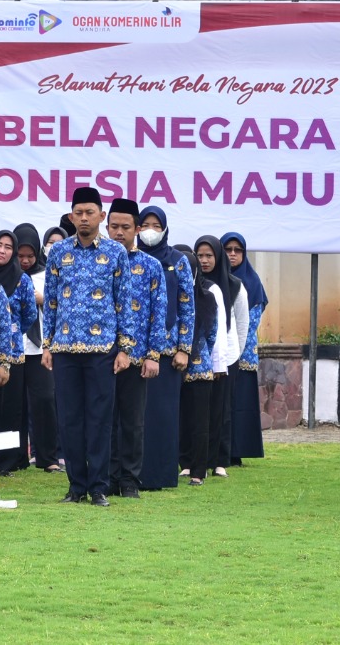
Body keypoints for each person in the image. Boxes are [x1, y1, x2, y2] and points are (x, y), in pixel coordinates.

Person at [42, 186, 131, 507]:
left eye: (89, 212)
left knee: (100, 419)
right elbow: (50, 301)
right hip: (64, 349)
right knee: (68, 420)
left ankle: (99, 487)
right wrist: (48, 344)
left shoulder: (115, 253)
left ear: (101, 216)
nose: (83, 218)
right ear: (70, 216)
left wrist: (124, 348)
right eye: (78, 213)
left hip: (102, 349)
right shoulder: (58, 253)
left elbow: (124, 302)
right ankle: (76, 486)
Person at [136, 206, 194, 491]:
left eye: (155, 225)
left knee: (163, 415)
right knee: (136, 416)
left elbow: (186, 305)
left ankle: (160, 476)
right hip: (135, 351)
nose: (149, 230)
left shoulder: (178, 261)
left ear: (165, 228)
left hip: (169, 354)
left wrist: (184, 348)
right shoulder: (131, 258)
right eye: (144, 224)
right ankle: (132, 474)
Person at [107, 201, 162, 497]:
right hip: (101, 355)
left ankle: (129, 480)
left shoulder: (151, 266)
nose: (119, 233)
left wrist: (153, 355)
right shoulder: (99, 262)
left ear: (137, 230)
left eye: (125, 227)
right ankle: (108, 477)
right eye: (114, 227)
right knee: (104, 419)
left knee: (131, 421)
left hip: (137, 356)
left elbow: (158, 312)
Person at [0, 229, 35, 474]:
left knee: (11, 408)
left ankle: (7, 461)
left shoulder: (22, 279)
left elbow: (29, 315)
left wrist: (12, 333)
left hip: (13, 354)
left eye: (7, 247)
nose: (1, 250)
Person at [11, 222, 59, 474]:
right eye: (21, 256)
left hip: (40, 349)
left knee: (44, 401)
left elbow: (58, 305)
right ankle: (17, 456)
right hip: (14, 348)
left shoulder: (47, 274)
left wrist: (42, 300)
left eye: (30, 256)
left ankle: (47, 456)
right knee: (15, 405)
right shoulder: (8, 275)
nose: (26, 261)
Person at [194, 237, 244, 479]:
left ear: (217, 257)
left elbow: (241, 325)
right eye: (200, 255)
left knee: (221, 410)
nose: (204, 260)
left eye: (209, 255)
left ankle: (220, 460)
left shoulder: (233, 286)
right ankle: (199, 460)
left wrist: (232, 355)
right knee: (201, 411)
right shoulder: (193, 282)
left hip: (228, 355)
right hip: (201, 355)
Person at [220, 232, 267, 466]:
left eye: (237, 250)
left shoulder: (252, 281)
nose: (232, 254)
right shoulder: (213, 279)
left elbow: (251, 321)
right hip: (218, 355)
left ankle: (238, 450)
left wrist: (235, 348)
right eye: (227, 249)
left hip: (243, 353)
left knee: (240, 404)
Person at [180, 250, 220, 488]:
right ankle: (183, 463)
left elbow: (213, 334)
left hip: (199, 368)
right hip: (175, 367)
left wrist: (200, 354)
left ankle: (199, 470)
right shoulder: (172, 297)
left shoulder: (206, 298)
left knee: (199, 422)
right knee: (179, 420)